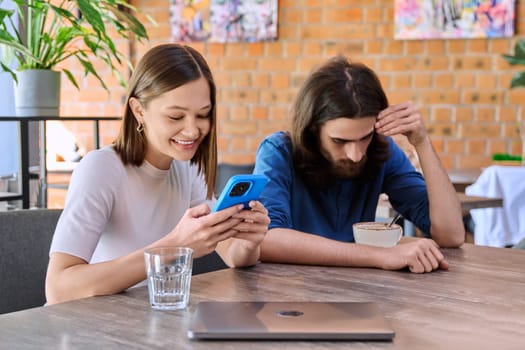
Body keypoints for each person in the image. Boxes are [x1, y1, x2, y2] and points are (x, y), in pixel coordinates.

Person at [45, 44, 270, 304]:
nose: (193, 130)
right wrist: (173, 247)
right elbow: (58, 288)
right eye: (175, 117)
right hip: (86, 329)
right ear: (139, 110)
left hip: (148, 322)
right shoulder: (101, 168)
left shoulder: (187, 167)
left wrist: (249, 240)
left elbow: (233, 255)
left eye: (203, 115)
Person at [253, 56, 464, 274]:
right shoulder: (278, 151)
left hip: (358, 290)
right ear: (313, 129)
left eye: (365, 137)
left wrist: (422, 142)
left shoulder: (382, 151)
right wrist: (381, 256)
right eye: (339, 141)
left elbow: (451, 235)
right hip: (287, 292)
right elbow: (266, 239)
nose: (355, 155)